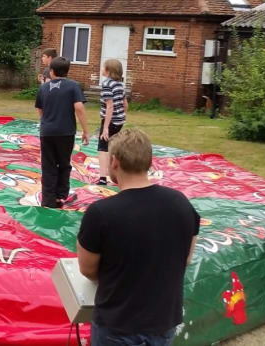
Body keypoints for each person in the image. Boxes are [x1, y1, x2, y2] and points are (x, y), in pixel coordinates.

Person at [77, 128, 200, 346]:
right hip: (163, 323)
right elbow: (187, 258)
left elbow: (88, 269)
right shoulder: (181, 203)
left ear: (114, 161)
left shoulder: (100, 213)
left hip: (118, 324)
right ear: (149, 161)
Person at [34, 56, 91, 208]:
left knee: (48, 165)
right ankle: (60, 196)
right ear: (67, 71)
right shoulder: (73, 86)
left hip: (47, 132)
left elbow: (39, 108)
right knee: (64, 164)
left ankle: (48, 199)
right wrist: (85, 130)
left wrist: (45, 121)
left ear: (51, 71)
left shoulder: (43, 88)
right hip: (66, 132)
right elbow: (79, 107)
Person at [97, 59, 128, 185]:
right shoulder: (120, 85)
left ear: (109, 71)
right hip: (119, 121)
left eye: (103, 67)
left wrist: (105, 128)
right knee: (113, 147)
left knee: (103, 148)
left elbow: (109, 106)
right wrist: (122, 116)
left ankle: (103, 178)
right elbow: (125, 104)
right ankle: (117, 174)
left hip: (110, 121)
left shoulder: (107, 84)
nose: (101, 69)